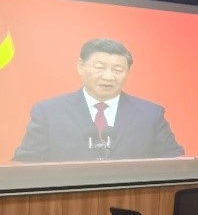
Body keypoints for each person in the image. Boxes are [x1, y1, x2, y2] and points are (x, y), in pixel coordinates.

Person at [12, 38, 183, 162]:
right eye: (100, 67)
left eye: (118, 70)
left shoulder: (151, 114)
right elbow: (26, 162)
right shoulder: (48, 113)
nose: (108, 76)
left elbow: (176, 162)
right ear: (81, 67)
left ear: (127, 72)